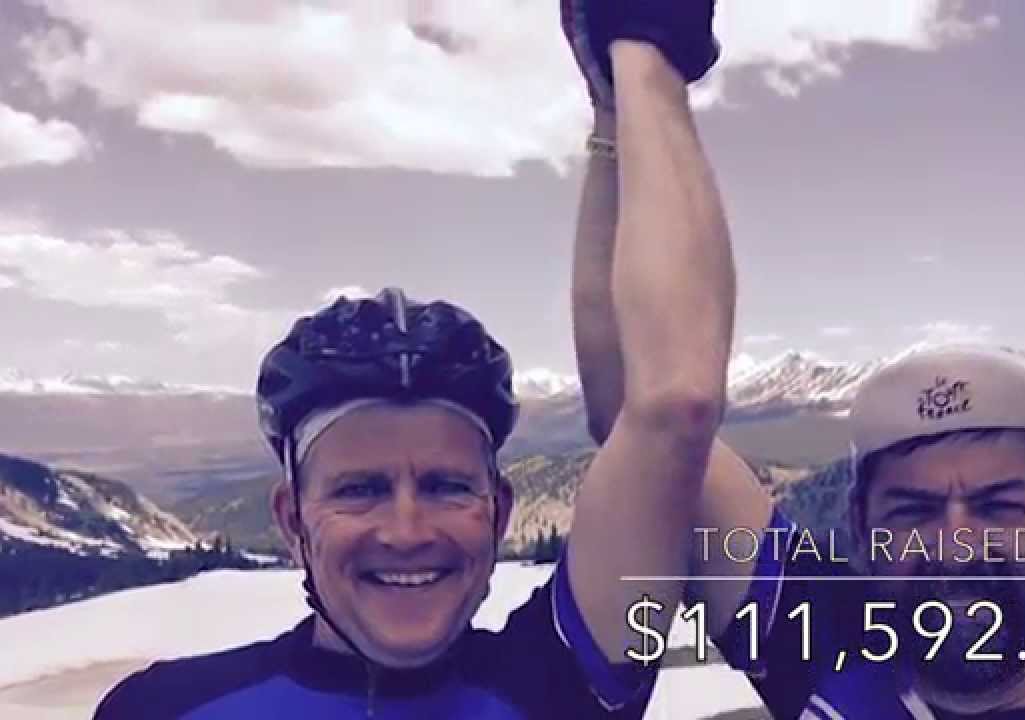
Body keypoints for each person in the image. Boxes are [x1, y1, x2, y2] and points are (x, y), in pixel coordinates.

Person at [93, 1, 734, 717]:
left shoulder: (557, 683)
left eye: (446, 487)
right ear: (291, 519)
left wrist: (633, 85)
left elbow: (674, 407)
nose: (407, 532)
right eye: (359, 490)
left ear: (499, 512)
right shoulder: (159, 709)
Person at [571, 135, 1025, 718]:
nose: (957, 546)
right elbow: (638, 418)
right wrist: (613, 122)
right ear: (861, 524)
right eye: (912, 511)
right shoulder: (830, 648)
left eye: (1000, 506)